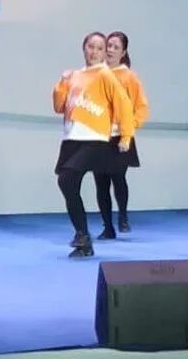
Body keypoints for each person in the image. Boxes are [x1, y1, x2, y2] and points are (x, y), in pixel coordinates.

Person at [53, 32, 135, 258]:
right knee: (67, 184)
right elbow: (59, 107)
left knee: (67, 179)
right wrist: (62, 83)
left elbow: (124, 105)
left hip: (95, 138)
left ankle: (84, 235)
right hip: (72, 138)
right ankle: (83, 237)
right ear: (84, 48)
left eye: (100, 48)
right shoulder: (75, 75)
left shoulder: (105, 74)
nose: (95, 52)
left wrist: (126, 136)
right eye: (91, 47)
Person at [94, 31, 149, 238]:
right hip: (98, 136)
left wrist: (129, 128)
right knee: (100, 183)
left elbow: (141, 107)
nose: (110, 50)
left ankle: (123, 216)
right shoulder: (96, 73)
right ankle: (107, 227)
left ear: (123, 52)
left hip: (120, 136)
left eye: (116, 47)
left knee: (118, 177)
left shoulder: (129, 77)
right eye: (108, 45)